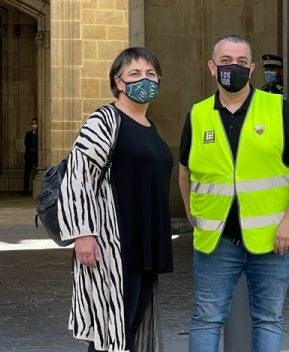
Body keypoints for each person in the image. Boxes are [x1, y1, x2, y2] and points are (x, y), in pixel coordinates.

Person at [179, 34, 289, 352]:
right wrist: (190, 212)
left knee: (268, 320)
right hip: (216, 241)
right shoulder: (198, 115)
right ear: (212, 68)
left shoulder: (276, 108)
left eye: (242, 62)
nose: (234, 67)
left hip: (272, 241)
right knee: (206, 320)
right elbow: (184, 170)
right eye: (226, 61)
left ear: (252, 68)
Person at [58, 47, 174, 352]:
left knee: (131, 326)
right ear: (118, 83)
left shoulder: (150, 126)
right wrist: (83, 234)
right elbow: (78, 176)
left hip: (146, 244)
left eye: (150, 73)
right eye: (134, 73)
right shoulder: (105, 119)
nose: (144, 79)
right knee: (112, 329)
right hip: (115, 244)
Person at [22, 118, 38, 195]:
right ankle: (26, 190)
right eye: (33, 124)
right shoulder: (28, 134)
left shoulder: (40, 134)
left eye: (35, 124)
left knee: (37, 172)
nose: (34, 125)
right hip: (29, 156)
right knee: (27, 173)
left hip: (36, 156)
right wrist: (32, 148)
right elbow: (26, 143)